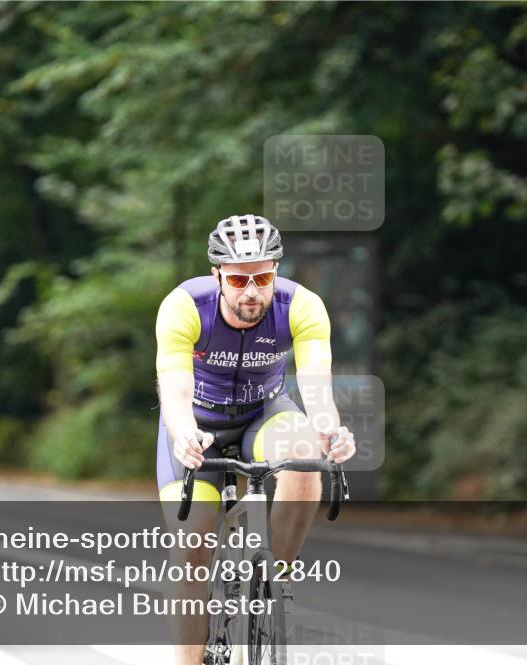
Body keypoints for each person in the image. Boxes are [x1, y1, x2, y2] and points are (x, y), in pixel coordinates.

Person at [155, 213, 356, 665]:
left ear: (276, 272)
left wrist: (329, 429)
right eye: (239, 279)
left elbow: (317, 387)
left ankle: (272, 583)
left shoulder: (301, 306)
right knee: (191, 550)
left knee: (306, 453)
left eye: (263, 276)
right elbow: (175, 389)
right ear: (218, 276)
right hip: (199, 423)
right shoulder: (185, 306)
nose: (252, 290)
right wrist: (185, 434)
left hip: (263, 415)